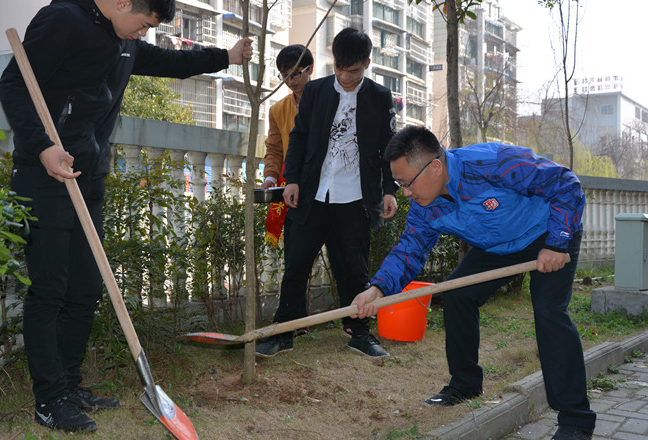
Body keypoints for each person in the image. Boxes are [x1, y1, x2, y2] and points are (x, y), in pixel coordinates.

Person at [0, 0, 252, 433]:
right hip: (46, 177)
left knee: (85, 285)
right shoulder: (64, 20)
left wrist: (225, 57)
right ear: (121, 3)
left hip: (89, 175)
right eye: (144, 23)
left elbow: (172, 62)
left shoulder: (125, 39)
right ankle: (49, 398)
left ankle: (70, 384)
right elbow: (13, 87)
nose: (143, 33)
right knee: (50, 288)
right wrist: (43, 147)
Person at [351, 126, 596, 440]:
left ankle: (575, 420)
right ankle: (465, 385)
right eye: (399, 185)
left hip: (548, 232)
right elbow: (409, 250)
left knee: (549, 312)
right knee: (457, 295)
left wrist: (558, 242)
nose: (406, 194)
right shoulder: (425, 208)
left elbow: (565, 184)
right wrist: (377, 289)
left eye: (407, 183)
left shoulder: (493, 163)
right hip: (498, 247)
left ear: (435, 166)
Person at [255, 28, 398, 359]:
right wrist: (291, 180)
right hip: (312, 196)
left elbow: (387, 149)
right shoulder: (316, 91)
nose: (345, 78)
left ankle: (360, 333)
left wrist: (389, 190)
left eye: (353, 71)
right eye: (339, 69)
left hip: (355, 199)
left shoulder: (379, 96)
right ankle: (283, 333)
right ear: (332, 63)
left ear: (367, 64)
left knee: (355, 268)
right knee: (296, 265)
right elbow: (299, 137)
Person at [259, 44, 349, 340]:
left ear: (310, 69)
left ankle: (353, 321)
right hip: (297, 194)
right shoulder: (278, 109)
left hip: (335, 192)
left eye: (295, 73)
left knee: (346, 259)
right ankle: (294, 322)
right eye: (283, 75)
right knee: (295, 261)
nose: (289, 80)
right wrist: (271, 177)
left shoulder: (335, 98)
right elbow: (274, 148)